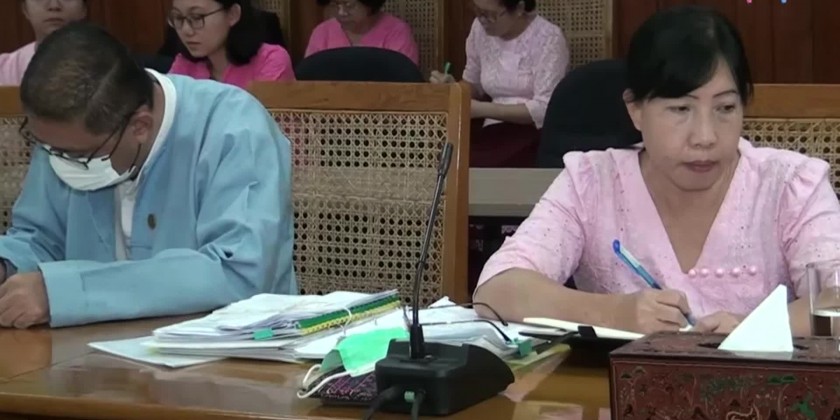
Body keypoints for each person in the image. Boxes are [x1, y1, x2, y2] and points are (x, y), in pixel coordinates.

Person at [473, 5, 840, 337]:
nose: (705, 137)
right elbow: (497, 290)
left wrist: (754, 330)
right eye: (681, 109)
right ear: (635, 110)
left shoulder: (791, 186)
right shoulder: (592, 183)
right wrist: (614, 313)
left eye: (725, 108)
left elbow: (836, 297)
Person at [0, 22, 296, 329]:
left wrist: (65, 293)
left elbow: (239, 273)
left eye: (78, 156)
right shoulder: (65, 138)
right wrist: (6, 265)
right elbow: (39, 239)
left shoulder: (234, 127)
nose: (60, 161)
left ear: (140, 126)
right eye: (48, 148)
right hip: (86, 348)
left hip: (229, 347)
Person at [430, 0, 568, 167]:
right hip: (491, 131)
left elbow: (544, 108)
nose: (482, 20)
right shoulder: (479, 29)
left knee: (475, 167)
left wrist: (482, 109)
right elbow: (473, 84)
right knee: (451, 163)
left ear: (519, 8)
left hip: (533, 134)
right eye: (478, 11)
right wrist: (454, 88)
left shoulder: (549, 38)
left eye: (491, 15)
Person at [168, 0, 295, 89]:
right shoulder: (184, 64)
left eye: (197, 17)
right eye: (178, 18)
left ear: (232, 14)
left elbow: (257, 118)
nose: (186, 30)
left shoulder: (270, 61)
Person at [0, 0, 88, 86]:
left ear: (84, 8)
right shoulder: (3, 70)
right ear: (25, 9)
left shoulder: (96, 65)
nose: (54, 6)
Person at [306, 0, 419, 66]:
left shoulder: (397, 32)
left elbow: (404, 82)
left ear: (369, 3)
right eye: (335, 4)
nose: (341, 12)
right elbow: (308, 79)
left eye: (349, 5)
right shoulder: (322, 32)